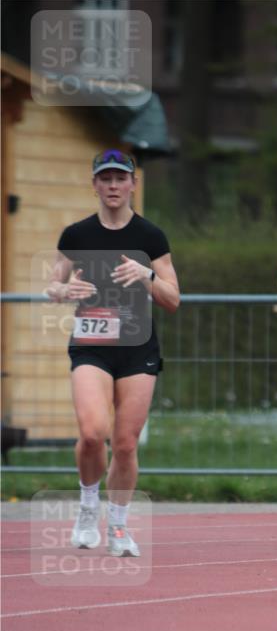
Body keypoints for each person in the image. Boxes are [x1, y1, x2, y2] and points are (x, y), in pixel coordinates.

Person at [47, 149, 180, 556]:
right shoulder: (76, 235)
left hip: (137, 349)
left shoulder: (150, 237)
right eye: (105, 179)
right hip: (91, 345)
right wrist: (64, 291)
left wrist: (147, 275)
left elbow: (173, 298)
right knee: (92, 434)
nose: (113, 186)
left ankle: (119, 526)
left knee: (124, 444)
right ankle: (88, 508)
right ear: (94, 185)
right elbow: (53, 286)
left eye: (120, 178)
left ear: (133, 185)